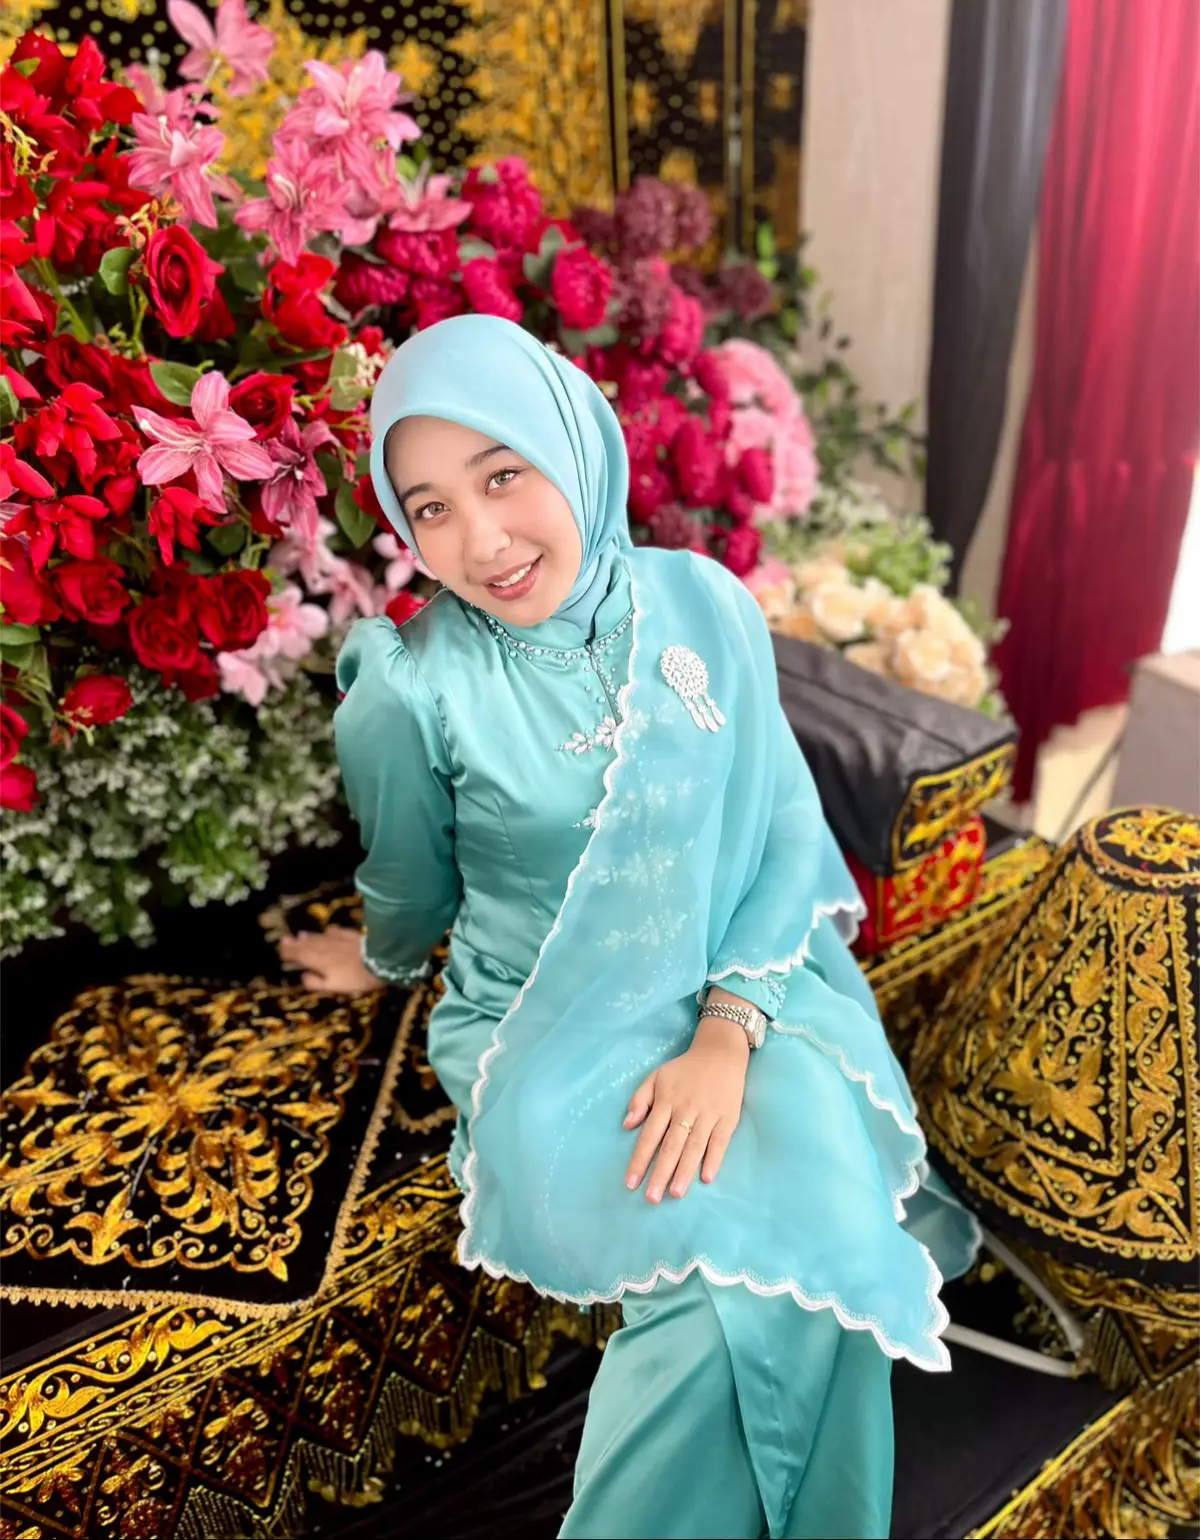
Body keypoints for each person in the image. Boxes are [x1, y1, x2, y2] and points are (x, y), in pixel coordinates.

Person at [281, 314, 978, 1539]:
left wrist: (726, 1032)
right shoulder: (414, 682)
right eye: (430, 507)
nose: (481, 539)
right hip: (552, 1026)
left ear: (571, 443)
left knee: (813, 1223)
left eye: (503, 475)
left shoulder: (702, 602)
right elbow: (410, 876)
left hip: (743, 983)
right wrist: (381, 957)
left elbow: (779, 821)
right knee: (716, 1291)